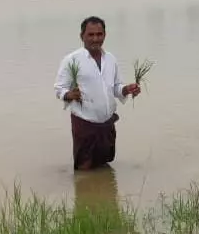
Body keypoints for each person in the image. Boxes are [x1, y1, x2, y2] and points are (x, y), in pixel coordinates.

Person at [53, 16, 141, 171]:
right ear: (82, 36)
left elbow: (115, 88)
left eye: (99, 34)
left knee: (104, 164)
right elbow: (59, 89)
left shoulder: (111, 59)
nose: (95, 39)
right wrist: (69, 94)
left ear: (105, 35)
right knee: (84, 167)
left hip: (107, 124)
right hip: (84, 124)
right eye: (91, 35)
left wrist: (127, 89)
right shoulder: (71, 60)